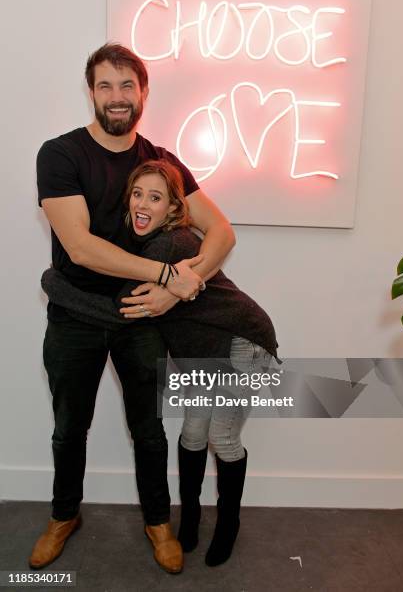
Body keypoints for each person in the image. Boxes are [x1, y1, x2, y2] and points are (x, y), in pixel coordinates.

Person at [30, 43, 235, 574]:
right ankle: (62, 515)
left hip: (140, 317)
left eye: (127, 86)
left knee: (149, 428)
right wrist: (167, 275)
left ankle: (157, 522)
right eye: (105, 85)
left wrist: (183, 283)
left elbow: (221, 232)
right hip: (74, 316)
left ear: (143, 93)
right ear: (91, 92)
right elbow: (81, 247)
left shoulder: (161, 164)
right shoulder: (60, 154)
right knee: (68, 428)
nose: (117, 97)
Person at [41, 159, 279, 568]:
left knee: (221, 438)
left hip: (244, 343)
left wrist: (52, 283)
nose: (142, 204)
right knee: (191, 435)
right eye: (137, 194)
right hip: (205, 352)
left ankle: (228, 524)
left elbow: (121, 309)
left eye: (156, 197)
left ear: (173, 209)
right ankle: (188, 522)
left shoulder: (171, 245)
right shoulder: (147, 245)